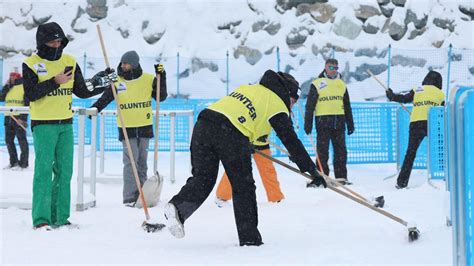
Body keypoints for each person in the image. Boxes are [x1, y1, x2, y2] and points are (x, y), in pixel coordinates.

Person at [164, 70, 327, 247]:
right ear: (287, 94)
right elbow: (290, 140)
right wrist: (312, 170)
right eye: (293, 101)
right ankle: (249, 239)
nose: (292, 106)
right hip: (231, 132)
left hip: (205, 123)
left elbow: (247, 117)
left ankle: (177, 208)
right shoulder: (277, 103)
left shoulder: (251, 88)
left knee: (203, 179)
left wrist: (249, 142)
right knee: (243, 186)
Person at [23, 22, 112, 230]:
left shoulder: (70, 61)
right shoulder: (31, 63)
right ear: (42, 42)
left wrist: (101, 81)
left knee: (65, 171)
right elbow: (31, 94)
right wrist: (55, 81)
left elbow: (81, 90)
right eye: (52, 41)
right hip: (43, 125)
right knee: (44, 172)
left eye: (59, 41)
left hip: (66, 123)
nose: (56, 45)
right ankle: (41, 219)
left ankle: (60, 217)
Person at [90, 50, 167, 207]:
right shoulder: (116, 81)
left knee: (142, 162)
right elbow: (105, 98)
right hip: (127, 127)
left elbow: (161, 96)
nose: (123, 65)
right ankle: (129, 197)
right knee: (130, 162)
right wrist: (95, 109)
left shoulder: (147, 79)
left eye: (126, 63)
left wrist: (162, 76)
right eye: (122, 63)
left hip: (144, 125)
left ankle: (143, 194)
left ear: (134, 64)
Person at [386, 70, 445, 189]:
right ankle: (443, 175)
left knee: (410, 153)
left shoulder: (418, 89)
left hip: (416, 123)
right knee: (440, 150)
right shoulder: (440, 94)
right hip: (432, 124)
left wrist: (392, 96)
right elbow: (441, 112)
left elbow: (404, 98)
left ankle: (401, 182)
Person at [304, 58, 354, 186]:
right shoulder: (317, 83)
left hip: (339, 121)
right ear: (326, 67)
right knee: (322, 151)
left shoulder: (341, 84)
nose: (334, 70)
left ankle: (341, 177)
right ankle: (322, 176)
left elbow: (347, 105)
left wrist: (350, 122)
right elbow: (310, 105)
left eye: (336, 68)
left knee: (341, 151)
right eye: (331, 67)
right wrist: (308, 122)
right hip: (323, 122)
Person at [215, 139, 285, 206]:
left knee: (268, 170)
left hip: (261, 142)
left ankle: (276, 198)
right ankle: (222, 197)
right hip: (242, 141)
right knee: (235, 169)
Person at [0, 71, 29, 170]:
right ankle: (13, 162)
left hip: (19, 117)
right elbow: (1, 98)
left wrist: (23, 118)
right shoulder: (8, 87)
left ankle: (24, 163)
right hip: (8, 117)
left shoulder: (23, 87)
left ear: (18, 77)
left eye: (13, 77)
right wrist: (7, 86)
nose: (11, 78)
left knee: (22, 141)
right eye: (10, 76)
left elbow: (27, 104)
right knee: (9, 141)